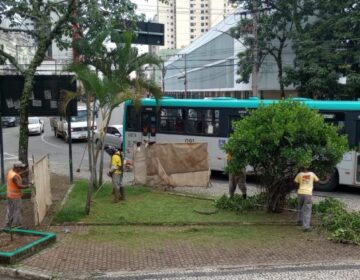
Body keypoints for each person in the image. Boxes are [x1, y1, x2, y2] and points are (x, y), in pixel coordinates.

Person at [5, 161, 33, 228]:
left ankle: (8, 224)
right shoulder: (15, 177)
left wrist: (25, 172)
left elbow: (18, 174)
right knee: (17, 210)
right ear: (17, 167)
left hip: (10, 195)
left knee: (10, 210)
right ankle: (17, 226)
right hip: (15, 197)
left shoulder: (10, 172)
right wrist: (29, 185)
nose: (21, 169)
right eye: (20, 168)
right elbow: (19, 186)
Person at [294, 166, 319, 231]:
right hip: (308, 193)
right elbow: (318, 181)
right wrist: (311, 183)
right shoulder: (312, 174)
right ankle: (306, 227)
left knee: (300, 207)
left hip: (300, 192)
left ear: (302, 168)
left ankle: (300, 221)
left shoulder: (299, 174)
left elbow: (296, 182)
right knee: (307, 210)